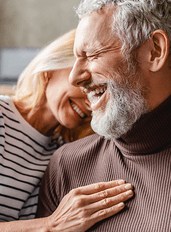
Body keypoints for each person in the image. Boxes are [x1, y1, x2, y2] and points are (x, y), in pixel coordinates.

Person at [0, 29, 134, 232]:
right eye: (87, 83)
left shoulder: (61, 149)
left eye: (100, 92)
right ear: (52, 67)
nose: (90, 103)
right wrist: (50, 226)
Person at [37, 1, 171, 231]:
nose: (74, 77)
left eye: (92, 55)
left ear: (154, 51)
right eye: (76, 57)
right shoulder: (66, 165)